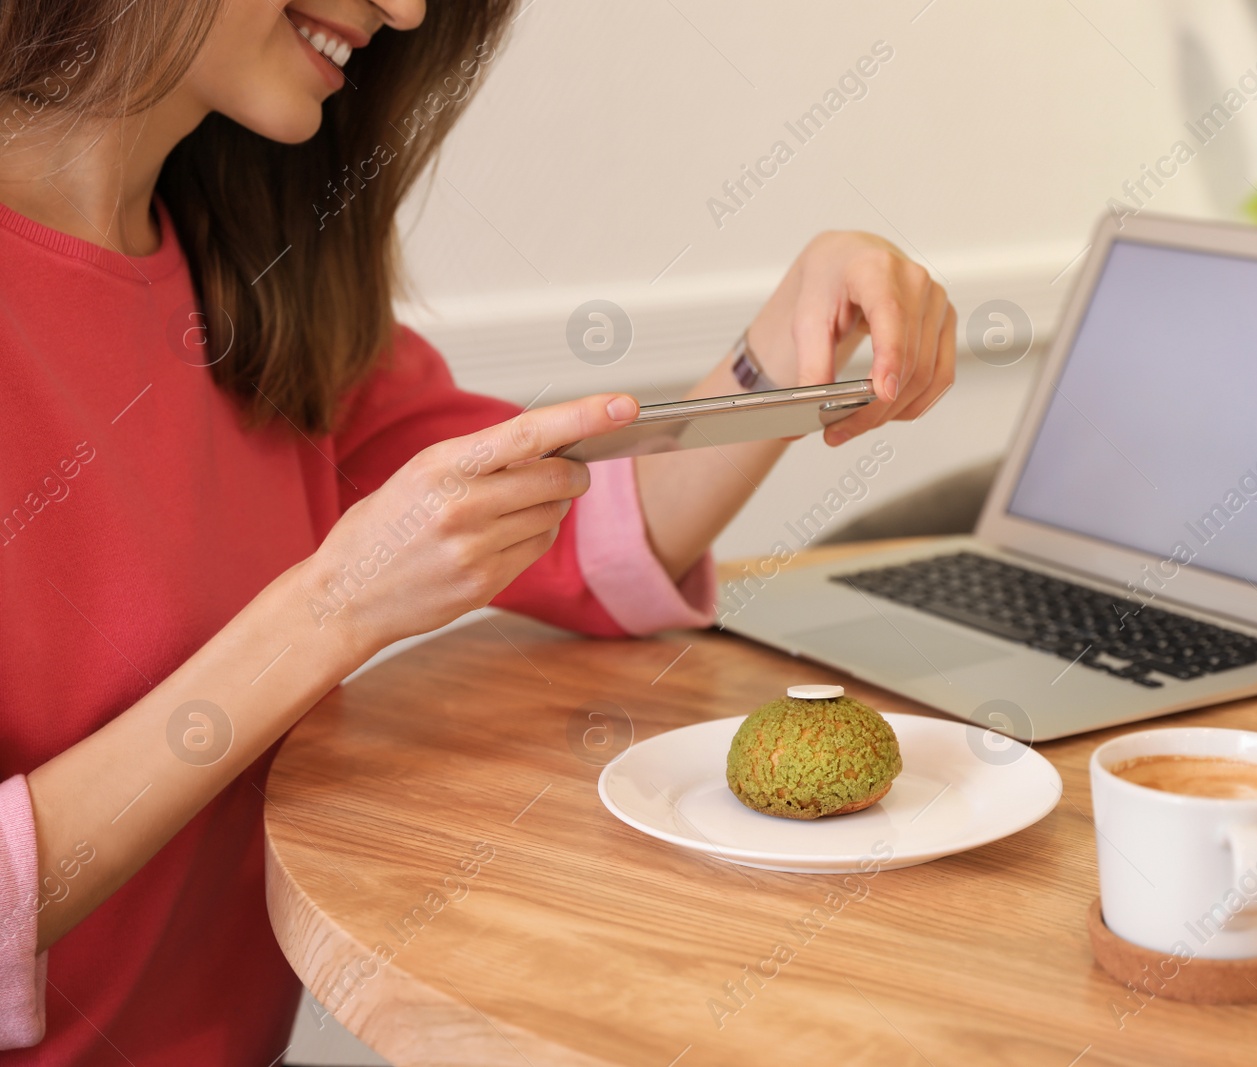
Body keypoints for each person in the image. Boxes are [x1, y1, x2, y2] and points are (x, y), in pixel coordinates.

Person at [0, 1, 956, 1060]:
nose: (407, 9)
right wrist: (330, 608)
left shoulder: (258, 277)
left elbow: (587, 529)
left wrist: (784, 344)